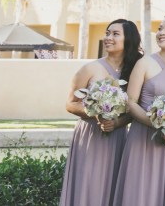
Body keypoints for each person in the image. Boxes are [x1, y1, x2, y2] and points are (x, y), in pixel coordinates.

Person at [113, 15, 165, 206]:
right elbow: (130, 102)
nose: (161, 33)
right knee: (138, 192)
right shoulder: (144, 63)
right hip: (142, 137)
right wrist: (157, 123)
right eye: (159, 28)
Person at [60, 19, 143, 206]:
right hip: (90, 135)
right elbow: (70, 103)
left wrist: (116, 123)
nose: (108, 38)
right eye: (107, 33)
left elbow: (133, 109)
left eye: (115, 34)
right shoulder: (90, 68)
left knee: (114, 187)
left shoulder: (135, 72)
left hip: (119, 137)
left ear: (128, 39)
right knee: (88, 186)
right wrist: (96, 113)